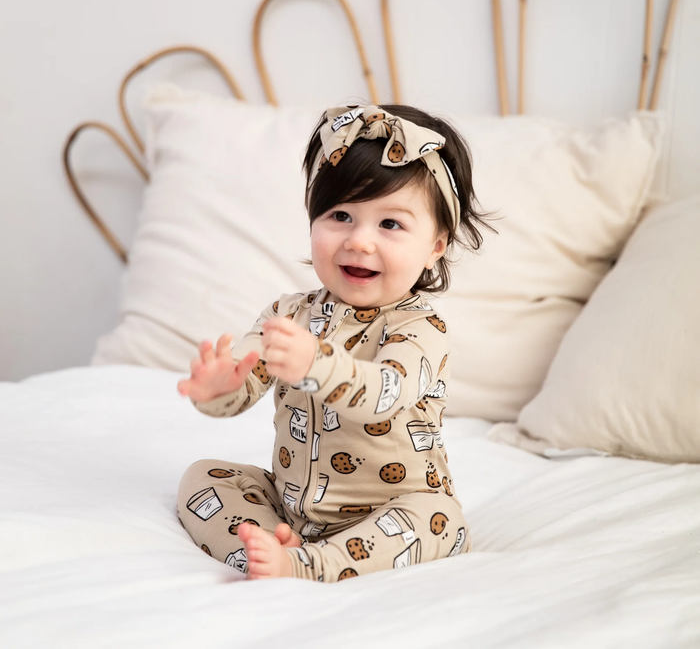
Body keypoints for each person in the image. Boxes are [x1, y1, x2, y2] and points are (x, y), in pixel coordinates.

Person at [176, 103, 494, 582]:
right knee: (203, 478)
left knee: (440, 523)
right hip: (293, 505)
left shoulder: (419, 328)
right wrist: (220, 388)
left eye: (390, 224)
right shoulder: (288, 314)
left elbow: (385, 391)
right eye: (340, 215)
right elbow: (247, 374)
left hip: (392, 509)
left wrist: (316, 363)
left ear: (435, 246)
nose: (360, 241)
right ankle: (275, 544)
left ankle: (308, 566)